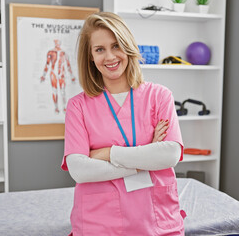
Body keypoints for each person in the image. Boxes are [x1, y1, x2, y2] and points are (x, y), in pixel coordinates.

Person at [62, 12, 185, 235]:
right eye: (99, 49)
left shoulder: (159, 96)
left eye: (116, 46)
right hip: (99, 223)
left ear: (127, 47)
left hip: (157, 221)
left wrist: (105, 153)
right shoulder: (77, 106)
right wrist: (146, 159)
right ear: (90, 56)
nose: (110, 56)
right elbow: (79, 170)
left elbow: (170, 155)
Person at [40, 39, 76, 114]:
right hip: (53, 74)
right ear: (54, 43)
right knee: (54, 91)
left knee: (62, 91)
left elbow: (68, 65)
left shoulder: (64, 53)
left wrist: (72, 76)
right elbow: (47, 64)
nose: (57, 44)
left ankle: (64, 107)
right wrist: (43, 75)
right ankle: (56, 107)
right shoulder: (50, 52)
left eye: (58, 42)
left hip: (61, 74)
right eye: (56, 42)